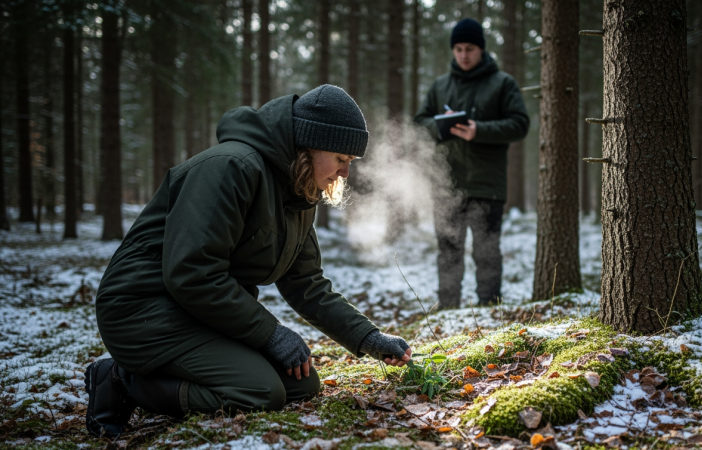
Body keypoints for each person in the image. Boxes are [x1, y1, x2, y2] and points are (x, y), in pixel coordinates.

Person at [86, 85, 412, 437]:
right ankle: (120, 380)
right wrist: (271, 334)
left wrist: (368, 338)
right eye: (341, 159)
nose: (346, 173)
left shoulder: (297, 192)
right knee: (259, 391)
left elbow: (306, 284)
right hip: (143, 308)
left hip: (197, 310)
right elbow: (192, 273)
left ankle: (166, 374)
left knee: (300, 385)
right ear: (310, 144)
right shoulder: (231, 167)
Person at [414, 18, 529, 310]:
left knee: (487, 251)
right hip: (446, 183)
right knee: (448, 249)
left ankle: (490, 307)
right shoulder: (440, 86)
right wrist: (442, 127)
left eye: (470, 48)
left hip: (487, 184)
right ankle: (447, 308)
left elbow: (520, 124)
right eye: (459, 49)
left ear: (481, 49)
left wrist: (480, 130)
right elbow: (419, 124)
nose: (464, 55)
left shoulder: (503, 83)